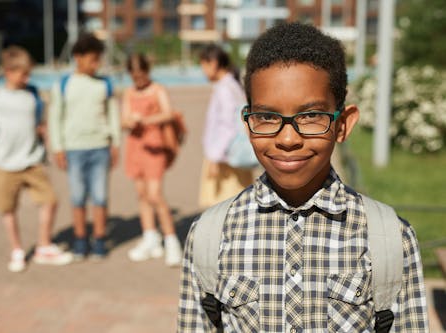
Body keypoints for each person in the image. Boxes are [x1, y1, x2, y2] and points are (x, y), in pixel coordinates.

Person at [178, 22, 428, 332]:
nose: (287, 139)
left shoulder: (390, 239)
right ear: (248, 123)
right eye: (267, 117)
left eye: (311, 116)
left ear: (343, 124)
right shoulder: (209, 237)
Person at [0, 46, 73, 272]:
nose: (27, 78)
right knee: (8, 209)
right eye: (23, 73)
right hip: (4, 163)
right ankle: (17, 250)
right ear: (9, 71)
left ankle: (43, 246)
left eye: (28, 73)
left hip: (32, 160)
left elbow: (38, 123)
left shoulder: (32, 94)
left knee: (50, 200)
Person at [48, 33, 121, 261]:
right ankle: (80, 239)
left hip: (100, 147)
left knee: (100, 197)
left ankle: (99, 239)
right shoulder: (63, 84)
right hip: (74, 150)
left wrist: (115, 143)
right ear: (78, 57)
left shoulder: (105, 84)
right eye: (92, 59)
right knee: (78, 197)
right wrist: (58, 148)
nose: (96, 64)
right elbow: (55, 118)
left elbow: (113, 115)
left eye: (98, 59)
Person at [121, 53, 182, 267]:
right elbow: (124, 120)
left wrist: (146, 120)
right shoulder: (129, 92)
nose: (138, 79)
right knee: (141, 194)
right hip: (135, 146)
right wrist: (131, 122)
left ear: (147, 71)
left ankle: (171, 239)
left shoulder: (157, 90)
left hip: (155, 145)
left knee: (155, 194)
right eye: (134, 76)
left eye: (141, 75)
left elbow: (168, 114)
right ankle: (150, 236)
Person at [198, 44, 254, 208]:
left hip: (224, 158)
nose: (203, 71)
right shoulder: (233, 85)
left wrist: (215, 157)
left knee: (222, 208)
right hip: (232, 155)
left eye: (203, 66)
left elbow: (227, 126)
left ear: (213, 63)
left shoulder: (224, 88)